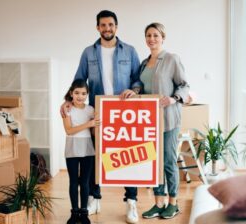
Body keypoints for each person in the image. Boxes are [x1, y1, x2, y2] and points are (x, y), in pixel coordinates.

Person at [60, 10, 142, 224]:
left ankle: (131, 201)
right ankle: (94, 198)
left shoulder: (130, 51)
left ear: (116, 26)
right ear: (97, 27)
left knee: (127, 154)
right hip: (97, 111)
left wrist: (134, 90)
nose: (107, 28)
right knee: (96, 156)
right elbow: (79, 80)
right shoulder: (88, 52)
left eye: (111, 25)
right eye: (103, 25)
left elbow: (137, 79)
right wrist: (68, 100)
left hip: (123, 112)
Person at [122, 22, 190, 219]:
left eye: (155, 35)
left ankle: (173, 203)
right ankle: (159, 202)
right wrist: (134, 92)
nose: (152, 39)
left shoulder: (171, 59)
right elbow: (141, 87)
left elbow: (184, 85)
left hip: (168, 119)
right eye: (149, 36)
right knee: (154, 162)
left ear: (163, 38)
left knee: (168, 160)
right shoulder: (144, 63)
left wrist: (174, 98)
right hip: (150, 122)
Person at [62, 79, 100, 224]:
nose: (80, 96)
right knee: (73, 181)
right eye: (77, 93)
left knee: (85, 182)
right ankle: (74, 212)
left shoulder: (90, 110)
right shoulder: (67, 109)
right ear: (71, 93)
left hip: (87, 148)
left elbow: (93, 132)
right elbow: (69, 130)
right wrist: (88, 123)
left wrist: (95, 123)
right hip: (72, 147)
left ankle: (84, 212)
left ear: (87, 94)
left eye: (84, 93)